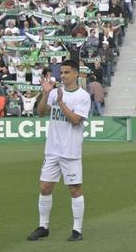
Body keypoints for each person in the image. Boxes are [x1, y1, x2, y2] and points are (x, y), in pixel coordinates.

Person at [27, 60, 92, 242]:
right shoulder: (54, 92)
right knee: (44, 187)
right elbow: (40, 112)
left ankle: (77, 230)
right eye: (61, 72)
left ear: (76, 74)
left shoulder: (82, 96)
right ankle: (43, 226)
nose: (63, 76)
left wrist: (61, 102)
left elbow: (75, 120)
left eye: (67, 72)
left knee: (74, 189)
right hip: (52, 149)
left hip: (70, 151)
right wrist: (46, 94)